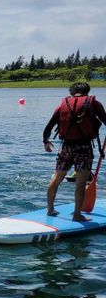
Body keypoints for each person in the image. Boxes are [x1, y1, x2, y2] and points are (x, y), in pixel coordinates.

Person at [43, 82, 106, 221]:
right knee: (80, 183)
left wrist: (46, 142)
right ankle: (77, 215)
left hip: (66, 147)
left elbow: (49, 126)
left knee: (56, 178)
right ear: (87, 92)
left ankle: (50, 210)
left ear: (71, 92)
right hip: (83, 148)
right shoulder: (94, 104)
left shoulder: (62, 105)